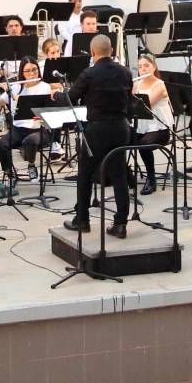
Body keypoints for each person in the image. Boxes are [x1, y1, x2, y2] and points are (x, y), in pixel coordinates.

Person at [65, 34, 134, 236]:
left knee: (85, 173)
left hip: (97, 129)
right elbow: (129, 100)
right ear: (111, 50)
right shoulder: (125, 72)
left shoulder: (89, 74)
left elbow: (71, 97)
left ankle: (82, 219)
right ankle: (121, 223)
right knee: (119, 173)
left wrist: (58, 94)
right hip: (121, 128)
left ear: (93, 52)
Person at [0, 60, 53, 180]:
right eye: (28, 71)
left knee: (30, 140)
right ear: (22, 73)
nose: (32, 73)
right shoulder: (15, 87)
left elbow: (37, 109)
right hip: (19, 130)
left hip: (39, 130)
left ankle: (31, 165)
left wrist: (13, 95)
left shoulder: (45, 87)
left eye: (34, 69)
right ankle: (9, 170)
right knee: (1, 145)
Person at [132, 53, 174, 194]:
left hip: (159, 128)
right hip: (140, 127)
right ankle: (125, 176)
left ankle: (151, 178)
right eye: (140, 67)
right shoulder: (136, 84)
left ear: (154, 67)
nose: (143, 69)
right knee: (117, 140)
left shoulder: (160, 85)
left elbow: (146, 104)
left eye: (146, 66)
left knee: (143, 145)